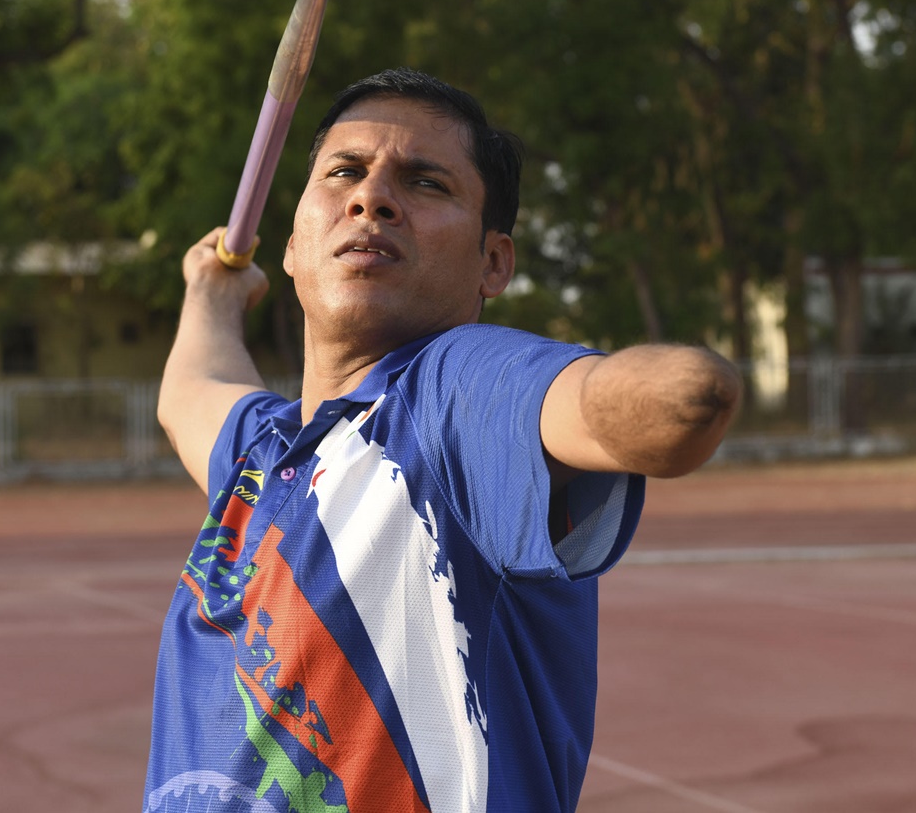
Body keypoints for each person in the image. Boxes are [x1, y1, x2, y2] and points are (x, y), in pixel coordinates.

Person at [143, 68, 741, 813]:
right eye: (344, 171)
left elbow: (600, 403)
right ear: (293, 242)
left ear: (494, 263)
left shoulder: (449, 400)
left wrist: (661, 394)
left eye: (426, 183)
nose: (372, 197)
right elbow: (190, 392)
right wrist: (210, 292)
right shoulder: (264, 456)